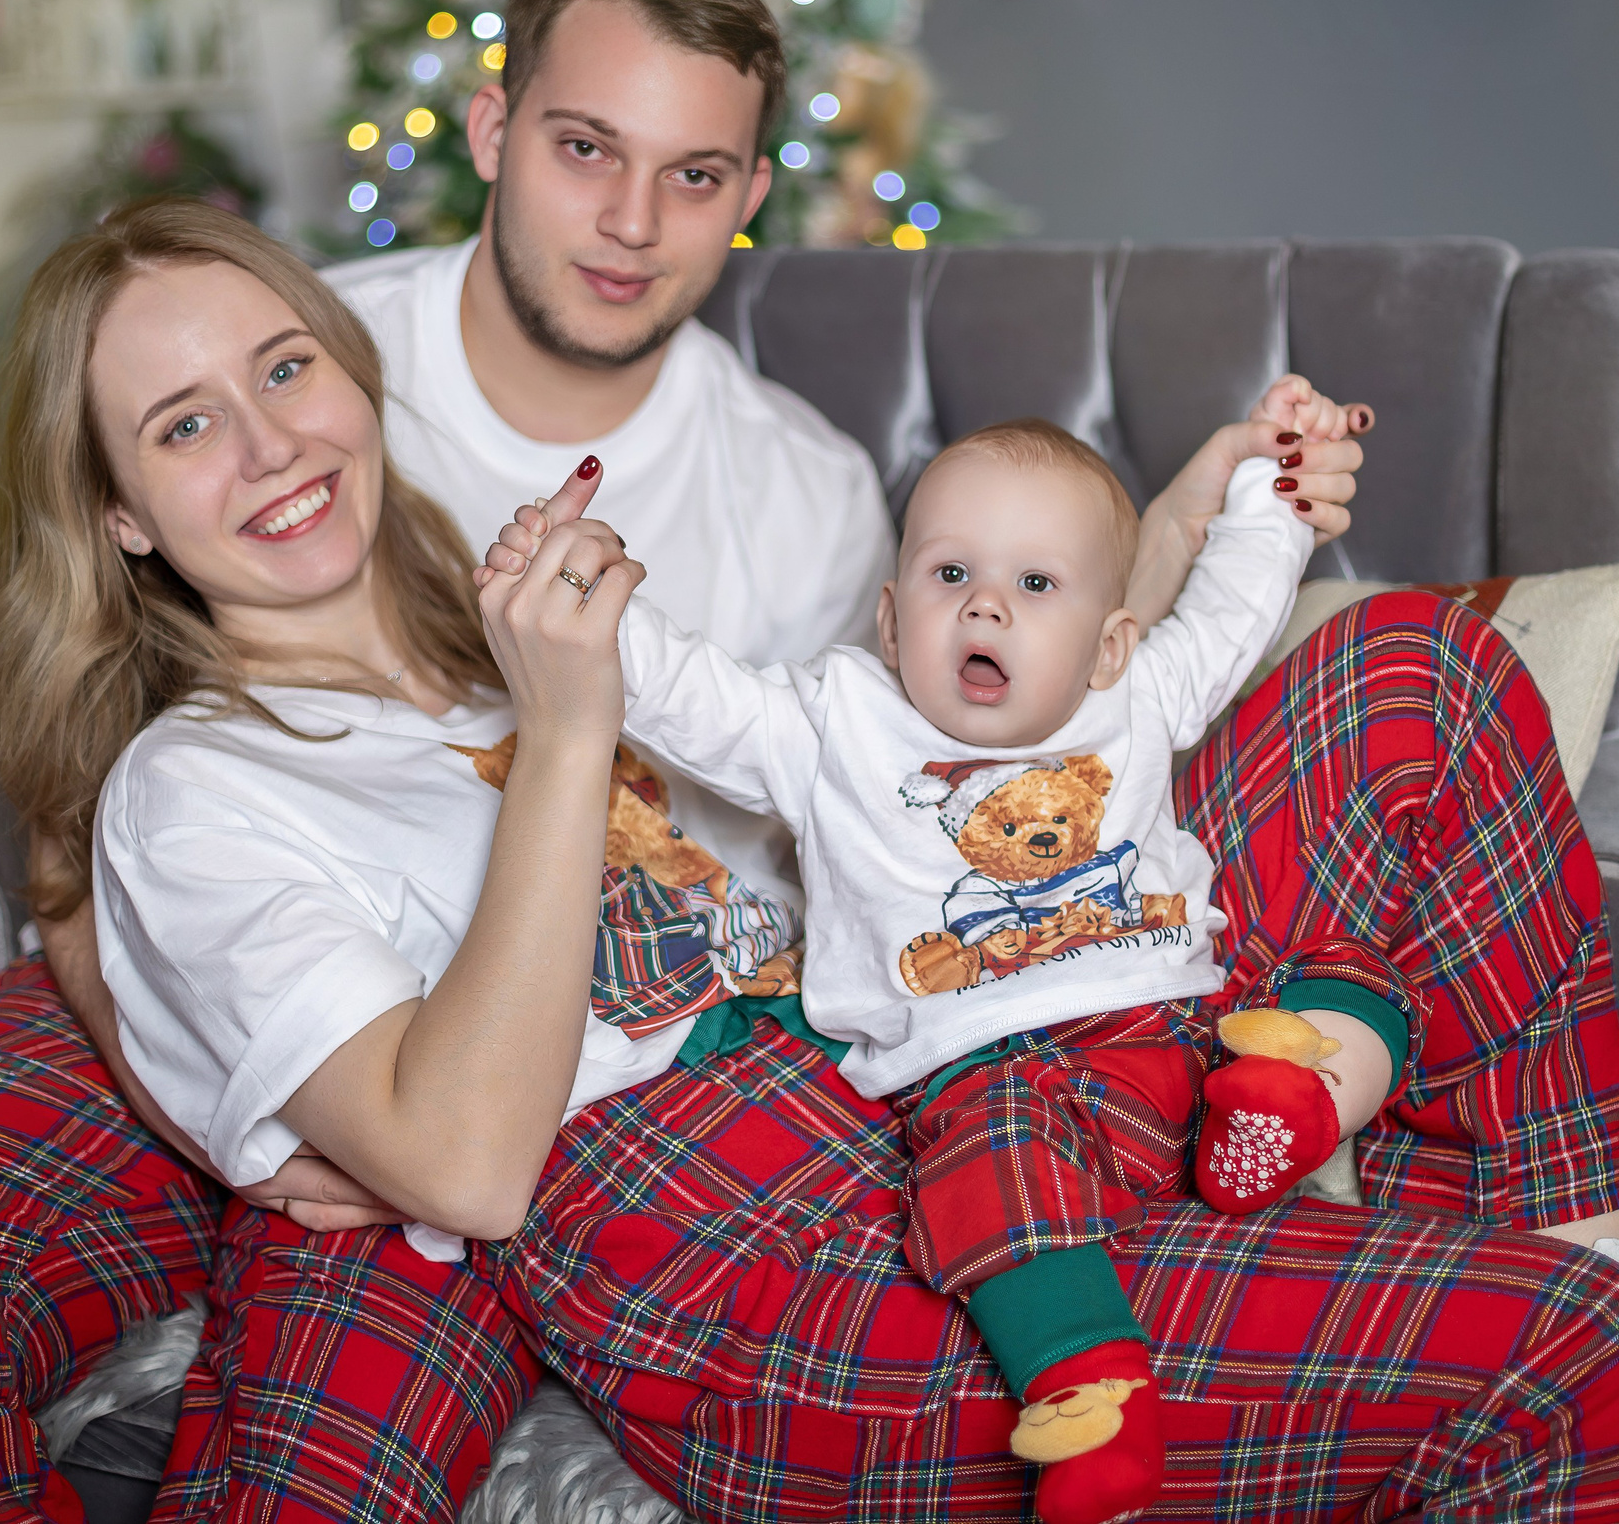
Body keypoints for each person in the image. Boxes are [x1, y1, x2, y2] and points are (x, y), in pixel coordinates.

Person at [0, 0, 1619, 1524]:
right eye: (583, 148)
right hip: (673, 1201)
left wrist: (1169, 552)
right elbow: (386, 1080)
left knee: (1421, 699)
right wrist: (215, 1089)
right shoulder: (303, 501)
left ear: (746, 197)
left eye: (690, 174)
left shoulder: (722, 510)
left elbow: (918, 739)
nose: (625, 220)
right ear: (495, 131)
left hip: (871, 1034)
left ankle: (1514, 1260)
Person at [474, 417, 1346, 1524]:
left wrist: (1274, 483)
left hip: (1155, 1034)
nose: (986, 605)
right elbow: (701, 697)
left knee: (1280, 985)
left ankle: (1231, 1180)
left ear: (1110, 643)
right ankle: (1152, 1302)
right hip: (1000, 1072)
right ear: (891, 623)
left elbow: (1232, 608)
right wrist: (581, 598)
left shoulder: (1138, 695)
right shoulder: (838, 724)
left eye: (1036, 582)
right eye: (950, 574)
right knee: (978, 1141)